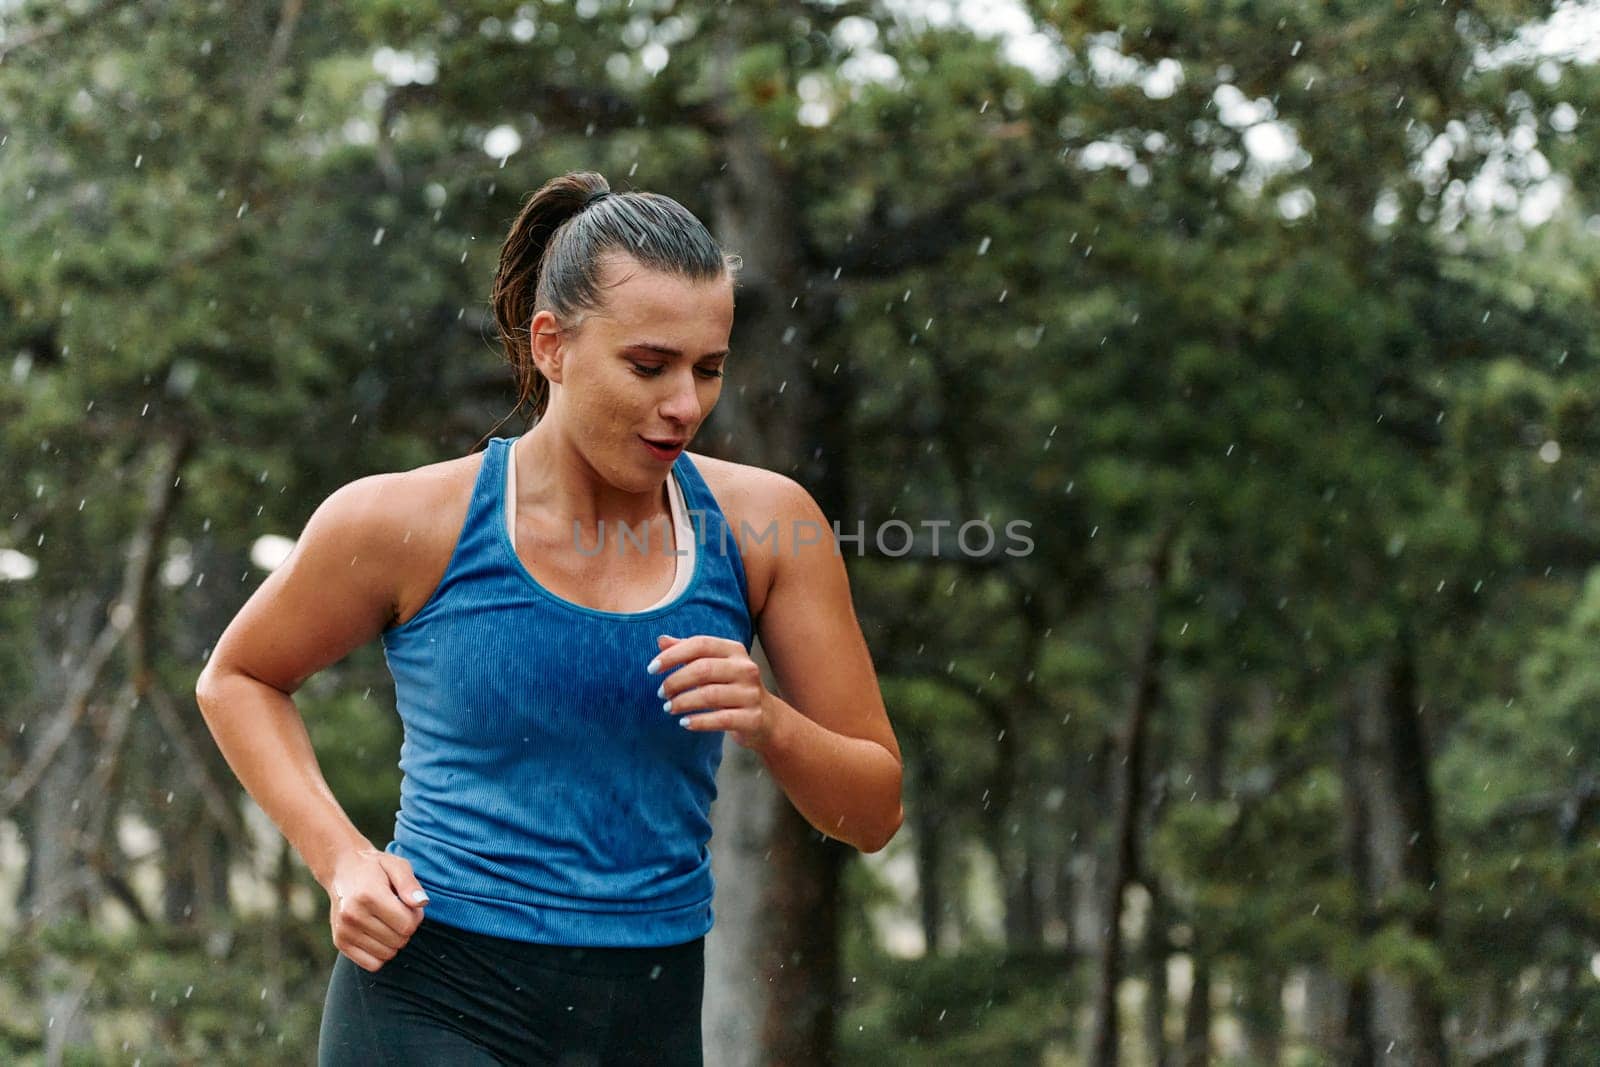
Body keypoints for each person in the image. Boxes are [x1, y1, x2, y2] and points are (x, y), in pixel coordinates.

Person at [194, 171, 905, 1066]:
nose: (684, 403)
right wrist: (341, 859)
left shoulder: (768, 528)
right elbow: (239, 677)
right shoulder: (401, 522)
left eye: (709, 368)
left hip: (648, 1009)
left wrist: (770, 720)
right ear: (552, 345)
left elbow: (874, 809)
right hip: (433, 993)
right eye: (648, 366)